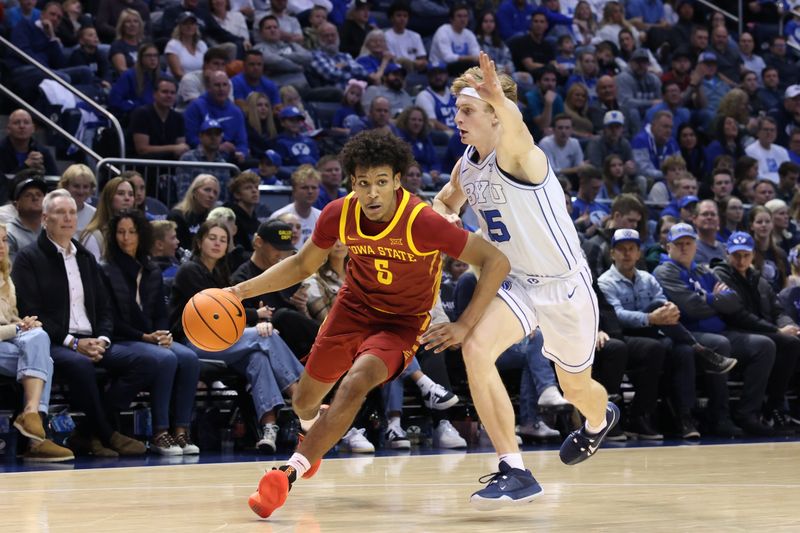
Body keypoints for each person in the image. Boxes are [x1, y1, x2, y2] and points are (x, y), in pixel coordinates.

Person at [234, 130, 510, 518]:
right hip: (353, 308)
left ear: (397, 181)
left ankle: (289, 471)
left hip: (402, 323)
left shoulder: (423, 221)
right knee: (304, 401)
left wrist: (464, 325)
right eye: (363, 183)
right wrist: (238, 292)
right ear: (352, 184)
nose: (373, 193)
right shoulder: (338, 213)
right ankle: (312, 440)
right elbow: (300, 265)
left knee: (357, 381)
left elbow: (496, 261)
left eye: (382, 182)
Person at [432, 52, 619, 506]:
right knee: (476, 349)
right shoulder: (466, 165)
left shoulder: (520, 154)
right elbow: (445, 205)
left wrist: (501, 99)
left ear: (496, 114)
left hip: (565, 286)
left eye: (468, 109)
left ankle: (599, 421)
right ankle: (514, 469)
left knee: (577, 389)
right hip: (518, 282)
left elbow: (517, 129)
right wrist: (444, 233)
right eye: (457, 109)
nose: (457, 117)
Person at [13, 189, 157, 457]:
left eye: (71, 213)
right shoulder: (28, 258)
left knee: (145, 362)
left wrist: (102, 340)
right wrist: (74, 343)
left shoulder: (85, 258)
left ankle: (87, 432)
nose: (68, 218)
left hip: (92, 340)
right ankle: (107, 433)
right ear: (45, 218)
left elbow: (104, 308)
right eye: (60, 213)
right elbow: (31, 312)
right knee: (80, 366)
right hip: (55, 341)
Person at [169, 220, 304, 453]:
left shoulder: (223, 274)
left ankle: (268, 429)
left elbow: (232, 317)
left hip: (220, 343)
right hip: (192, 343)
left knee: (258, 357)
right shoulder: (190, 271)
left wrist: (256, 322)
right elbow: (214, 315)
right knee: (265, 338)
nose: (218, 243)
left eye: (223, 240)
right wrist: (257, 316)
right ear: (200, 241)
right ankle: (303, 400)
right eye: (212, 238)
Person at [100, 210, 201, 455]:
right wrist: (145, 337)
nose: (126, 238)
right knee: (165, 358)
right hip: (121, 339)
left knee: (189, 358)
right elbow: (109, 319)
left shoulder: (151, 269)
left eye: (132, 232)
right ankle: (159, 433)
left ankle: (181, 431)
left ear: (141, 235)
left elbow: (160, 312)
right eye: (121, 232)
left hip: (150, 338)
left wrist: (164, 333)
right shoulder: (105, 269)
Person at [0, 222, 74, 462]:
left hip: (7, 342)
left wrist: (25, 323)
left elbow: (10, 319)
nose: (2, 246)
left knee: (39, 338)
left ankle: (30, 413)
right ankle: (36, 439)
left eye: (4, 240)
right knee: (45, 361)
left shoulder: (5, 277)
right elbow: (10, 327)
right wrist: (19, 327)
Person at [712, 231, 800, 433]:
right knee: (765, 344)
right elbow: (737, 314)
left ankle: (774, 408)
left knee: (793, 342)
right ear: (727, 254)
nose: (741, 260)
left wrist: (789, 326)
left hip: (759, 332)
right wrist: (778, 330)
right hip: (730, 333)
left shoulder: (758, 278)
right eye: (736, 255)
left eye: (745, 255)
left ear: (753, 255)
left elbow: (778, 310)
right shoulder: (720, 275)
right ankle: (747, 413)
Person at [130, 78, 189, 160]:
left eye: (172, 93)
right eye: (164, 92)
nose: (169, 96)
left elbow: (181, 147)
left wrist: (179, 148)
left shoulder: (178, 117)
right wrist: (173, 148)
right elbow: (142, 149)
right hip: (145, 165)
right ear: (154, 94)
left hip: (170, 166)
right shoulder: (142, 113)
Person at [79, 177, 135, 261]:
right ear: (109, 198)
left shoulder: (137, 232)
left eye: (131, 194)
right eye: (120, 193)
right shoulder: (94, 236)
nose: (127, 198)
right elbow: (93, 272)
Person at [270, 165, 321, 248]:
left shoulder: (321, 217)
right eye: (305, 187)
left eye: (314, 187)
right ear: (294, 191)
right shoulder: (278, 217)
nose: (310, 191)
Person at [0, 110, 58, 179]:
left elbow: (56, 179)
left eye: (26, 122)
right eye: (17, 123)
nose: (22, 126)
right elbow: (3, 183)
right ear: (8, 129)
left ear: (33, 128)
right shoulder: (1, 150)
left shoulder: (42, 152)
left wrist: (43, 172)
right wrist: (26, 166)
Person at [168, 174, 220, 250]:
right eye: (207, 190)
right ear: (194, 192)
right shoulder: (176, 216)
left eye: (215, 192)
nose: (212, 195)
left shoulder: (213, 219)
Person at [58, 164, 97, 235]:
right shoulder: (54, 212)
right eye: (76, 186)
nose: (81, 191)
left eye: (85, 187)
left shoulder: (94, 214)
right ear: (65, 186)